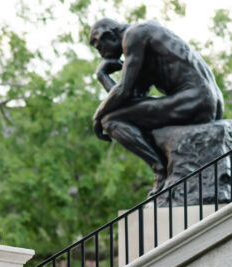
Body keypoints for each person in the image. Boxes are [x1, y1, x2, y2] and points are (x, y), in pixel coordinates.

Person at [89, 18, 223, 190]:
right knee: (114, 117)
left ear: (108, 36)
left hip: (195, 98)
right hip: (205, 100)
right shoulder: (145, 40)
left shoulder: (134, 34)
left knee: (109, 121)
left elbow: (123, 91)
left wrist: (97, 116)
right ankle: (163, 170)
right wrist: (103, 76)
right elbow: (129, 100)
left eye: (100, 47)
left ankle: (160, 170)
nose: (102, 55)